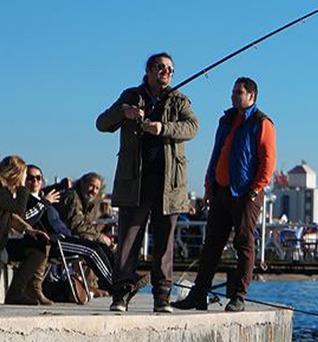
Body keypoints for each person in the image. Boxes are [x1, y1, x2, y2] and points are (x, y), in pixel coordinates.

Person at [96, 52, 199, 313]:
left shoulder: (179, 100)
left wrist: (163, 128)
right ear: (149, 70)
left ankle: (162, 298)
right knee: (128, 242)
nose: (166, 72)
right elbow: (102, 124)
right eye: (161, 67)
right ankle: (121, 295)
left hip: (169, 186)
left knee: (164, 245)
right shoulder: (130, 96)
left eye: (170, 69)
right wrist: (124, 113)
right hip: (135, 183)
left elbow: (192, 127)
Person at [173, 77, 276, 312]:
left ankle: (239, 296)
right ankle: (198, 295)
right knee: (211, 244)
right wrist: (209, 186)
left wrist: (255, 189)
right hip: (221, 190)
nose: (233, 95)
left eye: (238, 92)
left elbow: (268, 161)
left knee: (244, 244)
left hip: (245, 194)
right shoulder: (226, 120)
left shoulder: (262, 123)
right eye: (233, 91)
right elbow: (216, 153)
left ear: (251, 96)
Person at [25, 166, 115, 297]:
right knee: (92, 249)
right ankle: (115, 286)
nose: (35, 181)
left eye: (39, 178)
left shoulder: (43, 197)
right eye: (30, 178)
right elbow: (76, 224)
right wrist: (45, 202)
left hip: (65, 237)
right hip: (55, 241)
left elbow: (48, 191)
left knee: (99, 247)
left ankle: (122, 281)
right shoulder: (31, 199)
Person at [0, 156, 52, 305]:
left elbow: (11, 216)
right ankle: (15, 293)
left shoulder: (5, 191)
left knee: (38, 246)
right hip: (2, 244)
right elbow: (19, 210)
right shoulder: (1, 190)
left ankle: (16, 292)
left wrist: (28, 230)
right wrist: (23, 187)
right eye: (25, 175)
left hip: (3, 242)